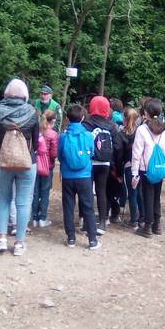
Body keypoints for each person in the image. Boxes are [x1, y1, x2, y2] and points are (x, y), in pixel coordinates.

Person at [0, 79, 39, 256]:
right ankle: (19, 243)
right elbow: (36, 140)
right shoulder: (32, 113)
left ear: (5, 94)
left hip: (0, 163)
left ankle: (2, 239)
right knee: (23, 202)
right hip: (27, 163)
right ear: (25, 95)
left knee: (3, 199)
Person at [59, 105, 101, 250]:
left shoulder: (63, 136)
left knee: (68, 207)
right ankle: (92, 240)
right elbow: (92, 154)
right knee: (88, 207)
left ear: (67, 118)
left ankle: (71, 238)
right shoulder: (88, 135)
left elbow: (60, 155)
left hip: (68, 176)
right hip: (84, 176)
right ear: (83, 117)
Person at [131, 98, 165, 238]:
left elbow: (137, 153)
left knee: (147, 196)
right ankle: (157, 225)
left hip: (145, 168)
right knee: (156, 196)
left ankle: (147, 226)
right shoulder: (164, 129)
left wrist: (134, 172)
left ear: (145, 113)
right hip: (159, 167)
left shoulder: (142, 129)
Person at [82, 96, 119, 234]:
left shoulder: (86, 124)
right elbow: (116, 145)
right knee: (101, 191)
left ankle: (87, 222)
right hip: (105, 163)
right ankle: (103, 222)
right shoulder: (112, 126)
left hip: (89, 162)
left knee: (87, 192)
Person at [116, 107, 143, 229]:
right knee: (140, 192)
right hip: (141, 165)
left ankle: (134, 220)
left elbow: (119, 153)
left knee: (132, 193)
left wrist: (118, 167)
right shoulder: (141, 131)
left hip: (129, 166)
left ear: (125, 119)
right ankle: (143, 217)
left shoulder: (122, 134)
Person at [32, 110, 59, 228]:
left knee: (34, 192)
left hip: (34, 165)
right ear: (53, 120)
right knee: (44, 192)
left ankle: (33, 217)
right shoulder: (53, 134)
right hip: (48, 166)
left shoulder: (36, 131)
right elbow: (54, 154)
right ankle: (42, 218)